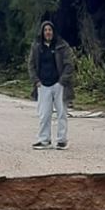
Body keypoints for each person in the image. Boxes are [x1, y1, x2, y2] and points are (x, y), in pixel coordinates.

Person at [28, 21, 75, 150]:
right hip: (43, 84)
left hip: (59, 84)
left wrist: (62, 81)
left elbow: (69, 64)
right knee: (44, 114)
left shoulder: (62, 45)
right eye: (45, 30)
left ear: (53, 32)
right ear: (42, 32)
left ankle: (62, 140)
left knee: (61, 113)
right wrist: (36, 81)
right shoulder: (37, 46)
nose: (48, 32)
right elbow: (31, 65)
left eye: (50, 30)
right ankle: (44, 140)